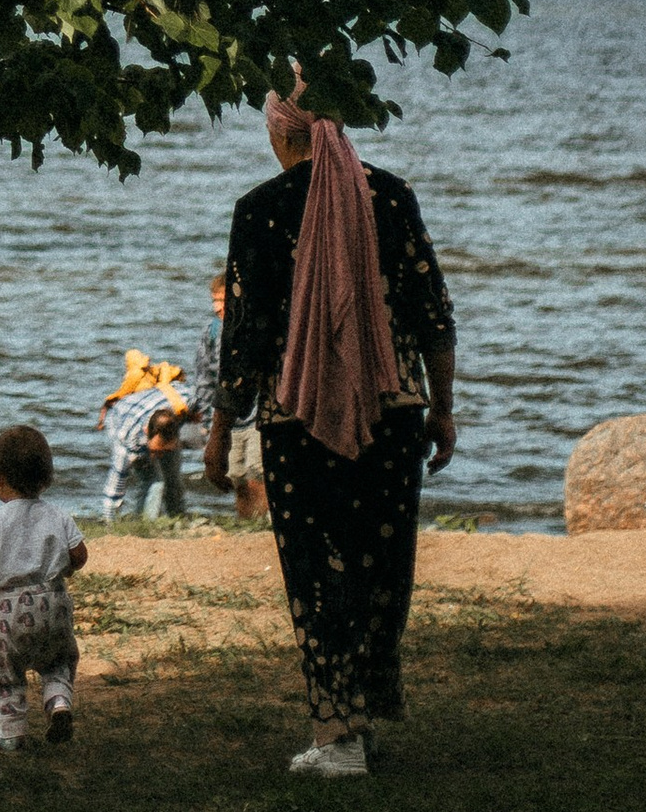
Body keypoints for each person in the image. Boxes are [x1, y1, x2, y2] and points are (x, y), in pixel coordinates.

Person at [204, 82, 458, 782]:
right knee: (380, 572)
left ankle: (337, 736)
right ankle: (358, 722)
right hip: (394, 409)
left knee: (316, 575)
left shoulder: (259, 211)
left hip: (298, 418)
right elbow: (432, 308)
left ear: (283, 133)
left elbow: (246, 334)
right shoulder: (391, 195)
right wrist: (442, 406)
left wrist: (222, 429)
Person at [0, 424, 88, 751]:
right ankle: (58, 702)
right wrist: (64, 568)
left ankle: (11, 736)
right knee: (58, 662)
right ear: (47, 477)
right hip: (54, 603)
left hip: (11, 611)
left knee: (5, 673)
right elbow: (79, 555)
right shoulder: (59, 515)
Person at [196, 272, 268, 521]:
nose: (217, 308)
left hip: (257, 414)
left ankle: (265, 526)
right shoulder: (212, 333)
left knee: (258, 471)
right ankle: (247, 524)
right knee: (236, 474)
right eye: (214, 301)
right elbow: (204, 379)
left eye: (222, 301)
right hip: (228, 419)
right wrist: (208, 422)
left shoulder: (256, 327)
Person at [98, 350, 189, 518]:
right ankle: (145, 522)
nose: (156, 456)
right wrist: (108, 522)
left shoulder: (185, 403)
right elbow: (114, 489)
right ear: (147, 433)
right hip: (121, 417)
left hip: (152, 406)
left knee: (172, 476)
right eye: (155, 451)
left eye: (162, 451)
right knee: (154, 479)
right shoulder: (127, 443)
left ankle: (177, 516)